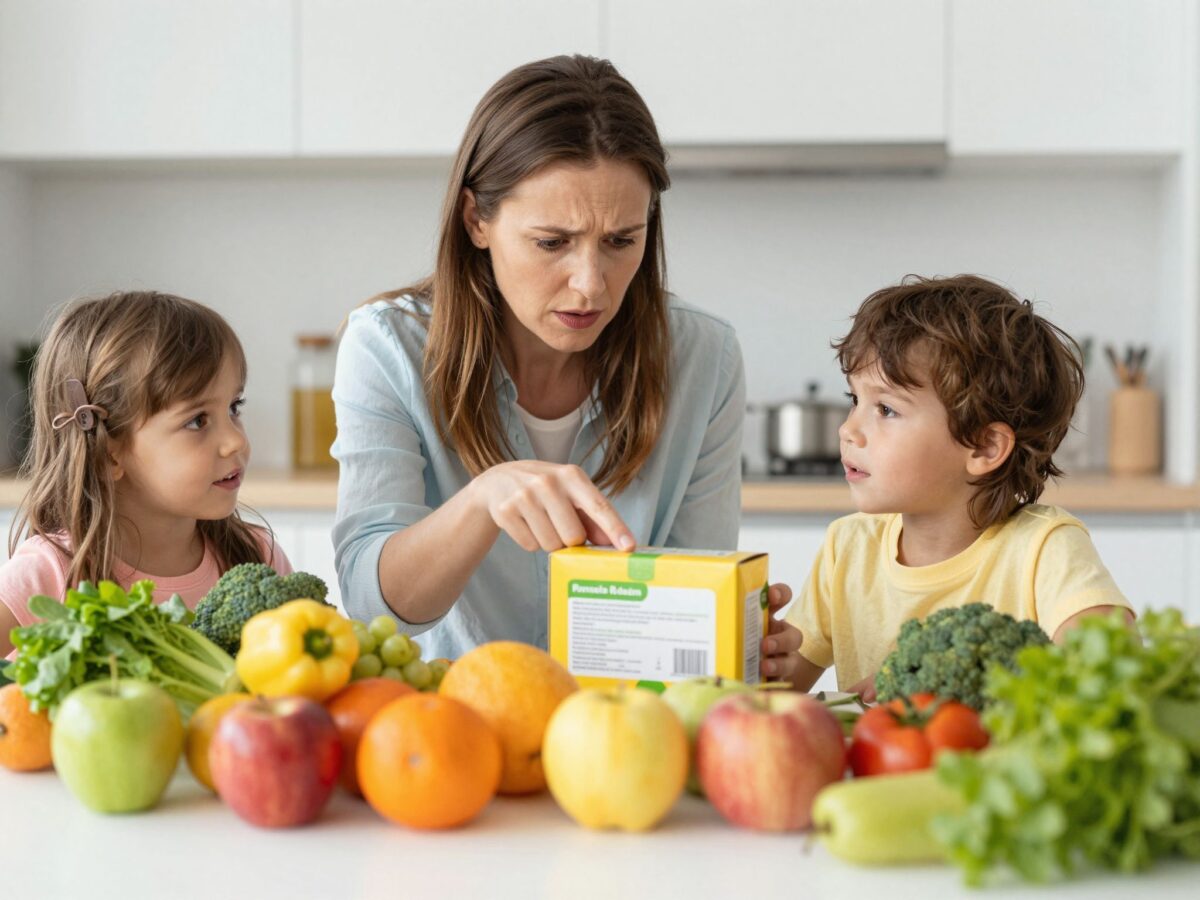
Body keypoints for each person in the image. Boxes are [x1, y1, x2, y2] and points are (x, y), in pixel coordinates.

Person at [332, 55, 801, 680]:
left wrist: (731, 634)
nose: (591, 286)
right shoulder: (387, 346)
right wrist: (481, 501)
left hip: (622, 740)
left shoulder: (704, 357)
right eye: (552, 243)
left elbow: (687, 599)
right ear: (477, 220)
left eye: (620, 241)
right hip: (447, 739)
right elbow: (373, 605)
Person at [785, 274, 1134, 698]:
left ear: (985, 446)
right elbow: (773, 697)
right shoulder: (847, 548)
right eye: (853, 400)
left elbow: (1112, 661)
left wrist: (922, 680)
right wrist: (758, 652)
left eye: (886, 409)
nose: (848, 430)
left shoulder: (1044, 548)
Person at [0, 291, 291, 658]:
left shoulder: (256, 558)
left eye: (234, 407)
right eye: (197, 420)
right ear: (110, 452)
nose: (235, 440)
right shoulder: (49, 573)